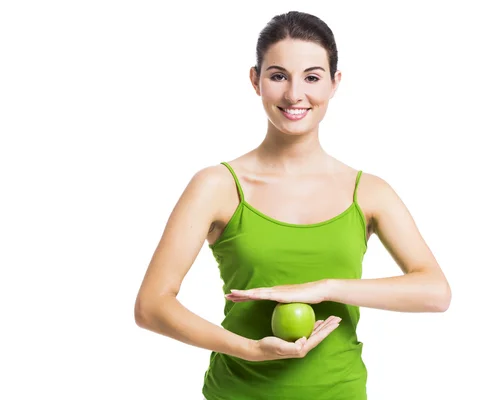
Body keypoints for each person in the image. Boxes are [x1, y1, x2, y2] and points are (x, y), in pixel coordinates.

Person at [134, 10, 451, 400]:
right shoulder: (216, 186)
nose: (294, 94)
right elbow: (151, 305)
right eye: (278, 75)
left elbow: (435, 291)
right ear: (256, 80)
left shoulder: (368, 192)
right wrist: (248, 349)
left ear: (335, 83)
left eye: (312, 77)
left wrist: (326, 288)